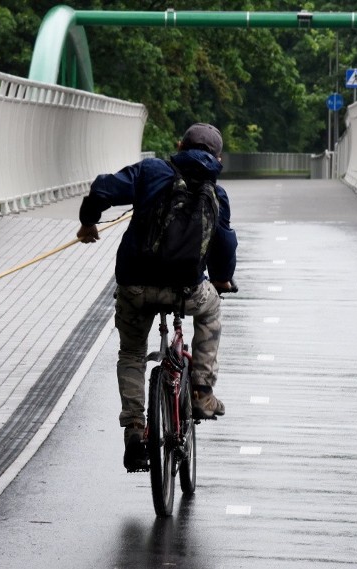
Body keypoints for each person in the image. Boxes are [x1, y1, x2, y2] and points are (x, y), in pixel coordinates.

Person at [76, 123, 237, 471]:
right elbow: (224, 245)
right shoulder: (216, 192)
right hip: (186, 290)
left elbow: (103, 189)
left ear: (179, 145)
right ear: (218, 158)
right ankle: (201, 391)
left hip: (135, 285)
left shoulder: (151, 171)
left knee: (132, 352)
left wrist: (88, 223)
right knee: (211, 310)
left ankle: (135, 429)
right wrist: (222, 280)